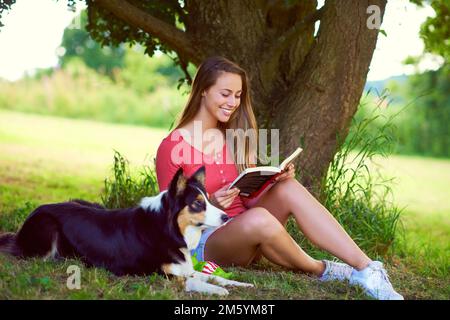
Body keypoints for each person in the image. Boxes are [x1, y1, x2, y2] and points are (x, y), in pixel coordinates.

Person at [155, 56, 403, 300]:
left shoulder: (234, 137)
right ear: (203, 91)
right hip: (206, 243)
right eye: (225, 93)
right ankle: (322, 269)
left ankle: (367, 269)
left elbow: (247, 200)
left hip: (247, 228)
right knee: (260, 219)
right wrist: (211, 207)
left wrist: (271, 182)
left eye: (238, 95)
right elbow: (170, 221)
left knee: (288, 188)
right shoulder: (173, 146)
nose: (233, 102)